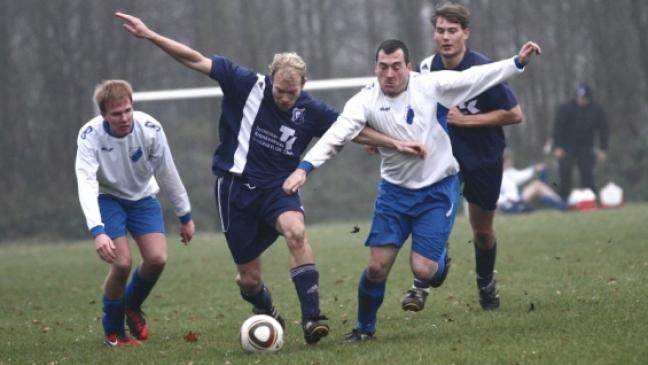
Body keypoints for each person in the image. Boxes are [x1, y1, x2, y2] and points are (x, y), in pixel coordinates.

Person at [116, 12, 422, 345]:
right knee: (248, 280)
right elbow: (195, 59)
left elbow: (352, 131)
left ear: (303, 86)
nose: (285, 98)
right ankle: (268, 310)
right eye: (279, 91)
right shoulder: (244, 82)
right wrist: (151, 35)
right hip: (234, 191)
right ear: (270, 78)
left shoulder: (310, 110)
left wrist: (392, 142)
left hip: (279, 188)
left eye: (292, 93)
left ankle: (311, 319)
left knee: (296, 231)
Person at [283, 39, 541, 341]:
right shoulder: (364, 100)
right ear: (375, 68)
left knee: (425, 269)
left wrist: (516, 63)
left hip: (437, 189)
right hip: (394, 194)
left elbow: (474, 77)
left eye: (396, 67)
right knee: (377, 267)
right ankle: (364, 329)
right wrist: (304, 168)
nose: (389, 73)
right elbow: (337, 134)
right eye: (383, 67)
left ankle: (438, 258)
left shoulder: (431, 86)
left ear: (408, 67)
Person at [414, 3, 524, 311]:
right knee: (435, 219)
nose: (445, 37)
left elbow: (515, 114)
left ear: (466, 34)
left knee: (483, 230)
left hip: (484, 157)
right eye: (440, 31)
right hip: (444, 158)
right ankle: (421, 284)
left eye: (452, 31)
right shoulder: (426, 69)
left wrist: (467, 120)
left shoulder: (482, 69)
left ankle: (486, 283)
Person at [75, 79, 195, 347]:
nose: (124, 117)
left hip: (142, 198)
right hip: (107, 198)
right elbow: (86, 182)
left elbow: (168, 172)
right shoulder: (89, 135)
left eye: (128, 110)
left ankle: (131, 306)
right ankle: (114, 332)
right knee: (121, 263)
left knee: (157, 259)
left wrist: (184, 215)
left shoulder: (150, 129)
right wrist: (98, 231)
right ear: (103, 114)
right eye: (116, 113)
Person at [552, 83, 609, 201]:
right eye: (579, 98)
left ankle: (590, 199)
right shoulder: (566, 108)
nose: (581, 101)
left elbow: (603, 129)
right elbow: (558, 128)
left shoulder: (597, 109)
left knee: (587, 173)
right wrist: (557, 146)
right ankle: (564, 200)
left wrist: (603, 149)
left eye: (584, 98)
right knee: (565, 171)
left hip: (586, 146)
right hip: (567, 146)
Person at [498, 150, 567, 213]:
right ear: (505, 161)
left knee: (537, 185)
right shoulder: (496, 175)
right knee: (537, 185)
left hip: (516, 201)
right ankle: (563, 205)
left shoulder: (509, 172)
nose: (512, 162)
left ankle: (561, 204)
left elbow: (521, 176)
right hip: (510, 204)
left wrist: (534, 169)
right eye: (510, 160)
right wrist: (505, 201)